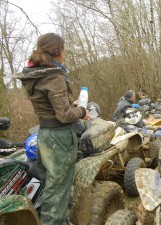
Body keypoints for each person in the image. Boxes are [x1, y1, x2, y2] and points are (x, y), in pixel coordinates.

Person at [13, 33, 90, 225]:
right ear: (57, 51)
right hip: (59, 138)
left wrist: (66, 105)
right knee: (57, 192)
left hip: (44, 135)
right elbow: (64, 116)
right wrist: (81, 111)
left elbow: (49, 106)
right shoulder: (53, 76)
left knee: (50, 186)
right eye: (63, 49)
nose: (64, 54)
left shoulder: (33, 74)